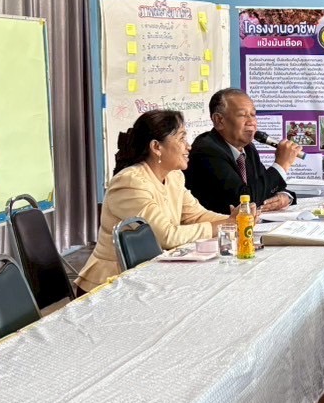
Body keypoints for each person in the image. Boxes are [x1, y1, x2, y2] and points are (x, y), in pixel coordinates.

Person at [77, 110, 238, 291]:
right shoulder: (130, 182)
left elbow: (196, 215)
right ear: (156, 147)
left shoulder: (174, 176)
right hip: (110, 284)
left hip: (148, 274)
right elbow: (167, 236)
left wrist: (237, 220)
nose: (188, 146)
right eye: (181, 138)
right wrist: (227, 224)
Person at [186, 88, 302, 214]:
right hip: (216, 225)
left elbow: (265, 186)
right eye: (242, 115)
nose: (251, 122)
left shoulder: (248, 148)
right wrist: (281, 164)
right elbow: (243, 201)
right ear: (219, 120)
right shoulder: (207, 150)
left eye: (253, 114)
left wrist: (286, 197)